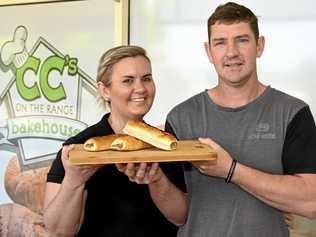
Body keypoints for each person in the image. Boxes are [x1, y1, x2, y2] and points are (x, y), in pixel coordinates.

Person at [121, 2, 316, 237]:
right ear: (209, 51)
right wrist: (156, 180)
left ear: (259, 45)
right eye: (220, 42)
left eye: (242, 40)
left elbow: (310, 202)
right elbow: (179, 215)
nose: (231, 52)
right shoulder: (182, 117)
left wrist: (231, 170)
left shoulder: (292, 113)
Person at [43, 45, 185, 237]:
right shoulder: (80, 147)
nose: (141, 88)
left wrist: (157, 180)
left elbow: (181, 217)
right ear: (104, 90)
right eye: (128, 81)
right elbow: (57, 232)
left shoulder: (165, 144)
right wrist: (73, 182)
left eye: (146, 79)